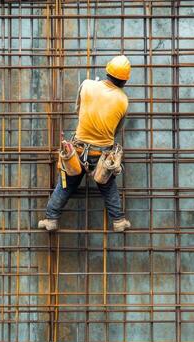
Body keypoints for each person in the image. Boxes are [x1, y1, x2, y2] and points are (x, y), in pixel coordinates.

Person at [38, 55, 132, 232]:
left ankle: (51, 219)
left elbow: (78, 109)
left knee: (66, 184)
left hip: (78, 149)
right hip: (102, 155)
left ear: (107, 72)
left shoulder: (87, 85)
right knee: (108, 186)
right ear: (125, 81)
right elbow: (116, 129)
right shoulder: (123, 100)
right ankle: (118, 221)